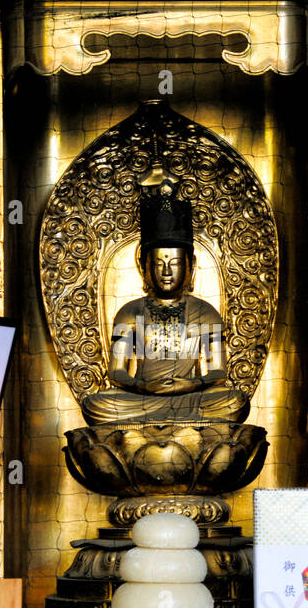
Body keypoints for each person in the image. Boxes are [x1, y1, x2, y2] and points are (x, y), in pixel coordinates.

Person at [80, 179, 248, 425]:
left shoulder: (206, 312)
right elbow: (117, 372)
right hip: (143, 398)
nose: (166, 271)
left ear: (190, 266)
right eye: (158, 263)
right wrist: (143, 385)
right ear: (144, 266)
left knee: (235, 400)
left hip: (192, 397)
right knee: (96, 404)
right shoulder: (130, 312)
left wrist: (192, 384)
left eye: (175, 263)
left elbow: (218, 371)